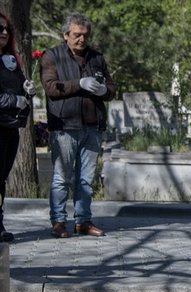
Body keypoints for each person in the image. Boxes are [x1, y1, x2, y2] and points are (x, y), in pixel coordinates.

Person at [40, 12, 116, 238]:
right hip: (65, 126)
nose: (81, 39)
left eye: (85, 35)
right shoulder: (51, 56)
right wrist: (79, 84)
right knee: (62, 178)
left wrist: (105, 91)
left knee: (86, 179)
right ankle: (59, 221)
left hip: (92, 127)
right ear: (66, 35)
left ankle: (83, 221)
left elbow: (111, 87)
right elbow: (51, 88)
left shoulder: (96, 57)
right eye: (76, 35)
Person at [0, 13, 36, 242]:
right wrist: (14, 101)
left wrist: (27, 91)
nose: (4, 32)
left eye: (6, 29)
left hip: (9, 128)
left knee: (1, 178)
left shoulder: (9, 60)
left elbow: (19, 92)